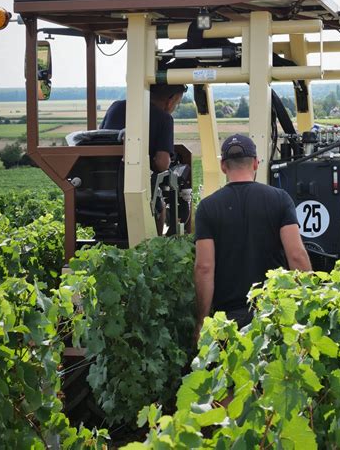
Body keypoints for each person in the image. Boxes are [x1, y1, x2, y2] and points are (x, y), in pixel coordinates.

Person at [194, 133, 311, 339]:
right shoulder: (280, 199)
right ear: (256, 163)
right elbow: (297, 256)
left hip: (228, 321)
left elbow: (204, 267)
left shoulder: (207, 208)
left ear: (223, 166)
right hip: (273, 314)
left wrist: (201, 321)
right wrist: (308, 307)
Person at [101, 83, 187, 233]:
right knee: (159, 201)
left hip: (100, 188)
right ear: (171, 100)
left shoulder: (116, 107)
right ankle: (155, 246)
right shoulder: (164, 119)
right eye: (177, 104)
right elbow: (162, 164)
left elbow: (100, 139)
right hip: (134, 190)